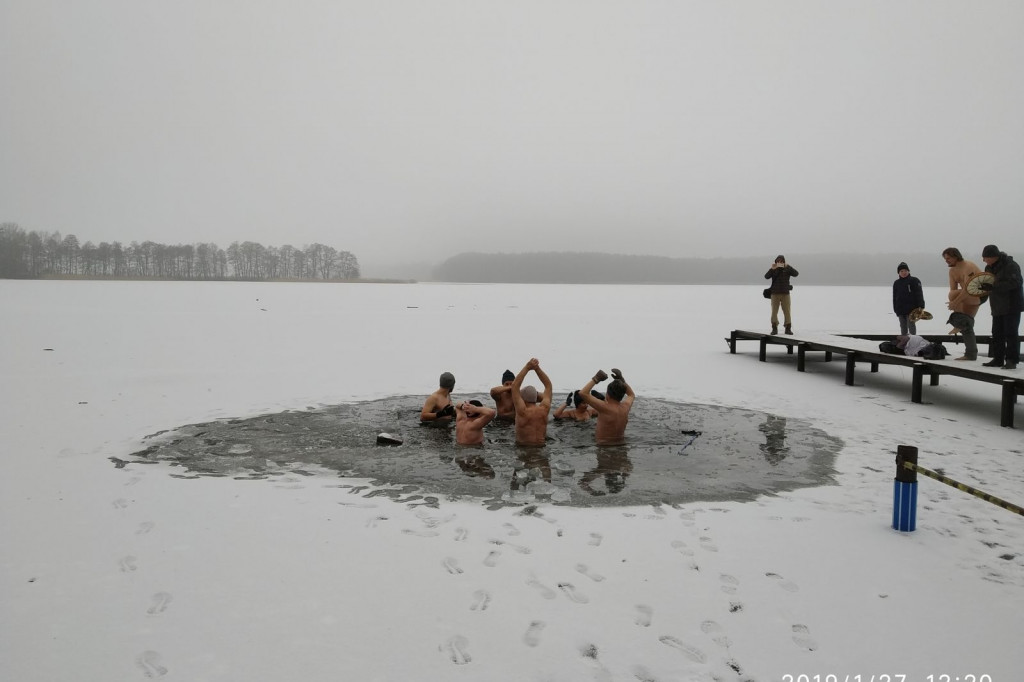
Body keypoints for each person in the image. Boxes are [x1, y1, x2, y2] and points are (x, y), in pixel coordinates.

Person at [979, 245, 1023, 370]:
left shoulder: (1011, 265)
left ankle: (1011, 359)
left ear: (994, 256)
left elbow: (1016, 282)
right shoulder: (989, 267)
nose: (984, 260)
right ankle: (998, 359)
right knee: (997, 333)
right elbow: (989, 283)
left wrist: (994, 286)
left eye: (986, 257)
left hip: (1011, 305)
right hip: (997, 305)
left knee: (1011, 333)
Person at [942, 247, 982, 361]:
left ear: (956, 256)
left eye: (948, 258)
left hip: (978, 294)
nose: (947, 261)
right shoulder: (952, 271)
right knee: (965, 324)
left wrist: (955, 302)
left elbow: (970, 289)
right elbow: (953, 291)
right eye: (945, 259)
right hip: (966, 295)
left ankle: (960, 323)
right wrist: (953, 303)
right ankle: (971, 354)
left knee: (965, 322)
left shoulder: (968, 267)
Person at [577, 368, 635, 445]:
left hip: (604, 448)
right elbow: (631, 395)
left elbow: (582, 393)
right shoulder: (625, 407)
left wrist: (596, 378)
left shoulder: (604, 407)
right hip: (621, 446)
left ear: (608, 395)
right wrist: (622, 380)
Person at [511, 358, 553, 446]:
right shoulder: (545, 409)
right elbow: (548, 385)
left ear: (522, 399)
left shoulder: (522, 411)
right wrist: (537, 369)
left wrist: (527, 367)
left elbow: (515, 386)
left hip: (524, 449)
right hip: (542, 448)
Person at [764, 255, 799, 335]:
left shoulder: (787, 269)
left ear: (784, 262)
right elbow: (766, 277)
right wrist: (772, 269)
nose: (780, 262)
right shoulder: (774, 269)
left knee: (787, 311)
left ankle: (788, 328)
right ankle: (774, 328)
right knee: (774, 312)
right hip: (774, 293)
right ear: (776, 262)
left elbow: (796, 274)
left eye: (781, 261)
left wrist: (788, 266)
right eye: (778, 261)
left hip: (785, 293)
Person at [892, 262, 925, 335]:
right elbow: (894, 297)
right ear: (898, 273)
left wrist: (921, 306)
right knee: (903, 327)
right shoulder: (896, 283)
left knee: (911, 325)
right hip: (900, 309)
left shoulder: (914, 280)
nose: (904, 273)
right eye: (901, 271)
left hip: (912, 310)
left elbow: (919, 294)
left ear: (908, 271)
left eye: (905, 271)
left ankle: (913, 341)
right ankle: (904, 342)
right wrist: (895, 309)